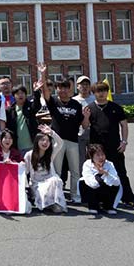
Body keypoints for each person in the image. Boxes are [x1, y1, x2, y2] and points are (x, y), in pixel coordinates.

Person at [84, 82, 134, 210]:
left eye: (104, 91)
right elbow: (84, 126)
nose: (101, 93)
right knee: (96, 173)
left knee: (121, 172)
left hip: (114, 146)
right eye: (98, 91)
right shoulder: (90, 108)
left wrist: (124, 142)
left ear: (107, 92)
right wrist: (86, 117)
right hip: (97, 149)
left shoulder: (116, 107)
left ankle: (129, 199)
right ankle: (99, 201)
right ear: (94, 93)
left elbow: (124, 125)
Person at [41, 63, 86, 203]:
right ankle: (57, 196)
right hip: (56, 141)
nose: (63, 90)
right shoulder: (53, 102)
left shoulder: (76, 104)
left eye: (66, 88)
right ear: (57, 89)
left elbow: (84, 125)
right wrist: (43, 74)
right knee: (56, 170)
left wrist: (87, 117)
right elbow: (45, 92)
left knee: (75, 171)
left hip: (73, 141)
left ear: (70, 89)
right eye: (60, 88)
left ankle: (75, 196)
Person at [24, 125, 67, 213]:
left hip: (49, 181)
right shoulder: (29, 155)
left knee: (56, 180)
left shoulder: (50, 154)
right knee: (46, 188)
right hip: (37, 184)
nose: (45, 142)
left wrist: (51, 133)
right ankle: (46, 203)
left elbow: (60, 143)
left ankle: (54, 203)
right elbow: (25, 171)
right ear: (37, 141)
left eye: (48, 140)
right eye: (42, 140)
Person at [79, 143, 121, 214]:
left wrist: (105, 174)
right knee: (83, 182)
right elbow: (92, 183)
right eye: (98, 155)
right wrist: (99, 176)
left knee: (114, 184)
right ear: (92, 157)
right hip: (93, 188)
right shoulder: (87, 164)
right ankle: (93, 206)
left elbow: (116, 182)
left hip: (105, 189)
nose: (101, 157)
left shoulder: (109, 164)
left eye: (102, 154)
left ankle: (108, 206)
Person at [5, 82, 42, 156]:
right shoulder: (10, 110)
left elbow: (37, 105)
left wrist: (36, 91)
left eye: (22, 93)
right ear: (14, 96)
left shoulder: (30, 106)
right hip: (17, 147)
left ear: (25, 95)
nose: (20, 95)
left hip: (32, 145)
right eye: (17, 93)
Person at [73, 75, 96, 170]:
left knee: (94, 157)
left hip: (93, 133)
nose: (85, 86)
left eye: (87, 84)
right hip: (79, 134)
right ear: (77, 86)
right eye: (82, 84)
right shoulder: (74, 101)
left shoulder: (94, 99)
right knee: (80, 159)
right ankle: (82, 177)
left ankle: (94, 176)